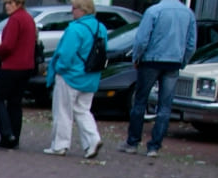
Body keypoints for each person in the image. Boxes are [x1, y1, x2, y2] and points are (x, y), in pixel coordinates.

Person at [119, 0, 196, 156]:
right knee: (165, 106)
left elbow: (142, 39)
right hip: (174, 61)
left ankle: (133, 142)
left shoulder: (154, 11)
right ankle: (154, 146)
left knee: (140, 101)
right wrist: (183, 61)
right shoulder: (188, 14)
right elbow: (191, 43)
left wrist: (136, 57)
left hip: (151, 60)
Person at [43, 0, 106, 158]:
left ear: (82, 10)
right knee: (83, 110)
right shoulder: (101, 28)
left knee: (63, 111)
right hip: (91, 77)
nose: (72, 11)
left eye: (74, 8)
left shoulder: (75, 29)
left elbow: (66, 54)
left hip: (71, 76)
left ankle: (60, 145)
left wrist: (58, 69)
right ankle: (93, 140)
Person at [0, 0, 36, 149]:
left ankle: (7, 134)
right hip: (26, 66)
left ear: (19, 3)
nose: (7, 6)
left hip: (13, 66)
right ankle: (15, 137)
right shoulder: (28, 18)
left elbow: (8, 45)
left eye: (10, 2)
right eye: (6, 3)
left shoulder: (15, 19)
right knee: (15, 102)